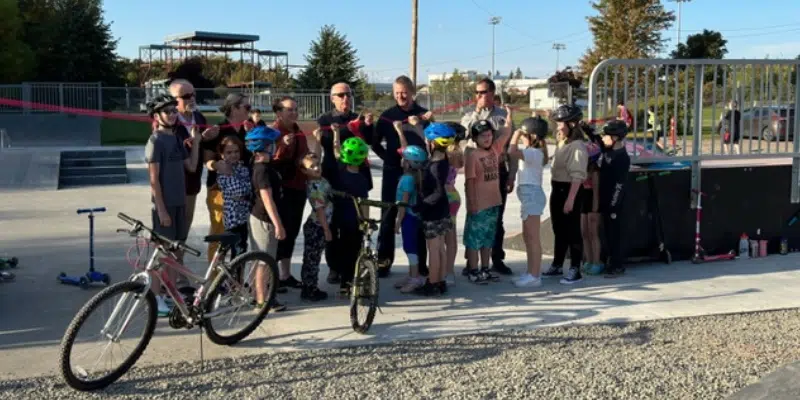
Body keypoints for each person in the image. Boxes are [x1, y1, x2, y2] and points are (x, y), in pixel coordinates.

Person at [143, 94, 201, 315]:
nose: (173, 114)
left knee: (175, 254)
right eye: (167, 111)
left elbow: (192, 167)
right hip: (165, 205)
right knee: (162, 253)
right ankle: (155, 298)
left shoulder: (176, 138)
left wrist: (196, 143)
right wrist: (161, 209)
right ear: (157, 116)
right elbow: (153, 180)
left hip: (179, 203)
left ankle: (172, 293)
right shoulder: (155, 141)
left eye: (174, 110)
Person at [372, 75, 432, 277]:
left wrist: (423, 124)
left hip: (418, 174)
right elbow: (374, 142)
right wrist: (388, 158)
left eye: (404, 92)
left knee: (418, 217)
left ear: (412, 92)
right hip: (393, 172)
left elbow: (433, 141)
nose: (401, 96)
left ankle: (420, 265)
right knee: (388, 216)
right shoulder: (387, 116)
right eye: (397, 93)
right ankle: (384, 261)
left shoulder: (423, 115)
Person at [316, 82, 375, 284]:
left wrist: (367, 126)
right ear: (332, 98)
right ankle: (334, 267)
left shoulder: (356, 118)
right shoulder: (325, 119)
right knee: (333, 226)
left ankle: (354, 267)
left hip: (357, 180)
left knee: (357, 226)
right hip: (333, 179)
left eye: (348, 94)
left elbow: (369, 141)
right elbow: (324, 143)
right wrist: (334, 132)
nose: (345, 98)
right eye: (340, 95)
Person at [460, 78, 515, 276]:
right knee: (474, 218)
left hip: (497, 170)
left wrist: (511, 175)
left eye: (483, 92)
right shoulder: (469, 116)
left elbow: (509, 147)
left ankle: (496, 259)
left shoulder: (502, 116)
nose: (479, 96)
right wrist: (476, 113)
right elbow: (465, 138)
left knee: (496, 218)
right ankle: (471, 263)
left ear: (492, 93)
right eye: (477, 92)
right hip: (477, 171)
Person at [203, 93, 252, 262]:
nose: (250, 111)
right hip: (220, 191)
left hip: (242, 193)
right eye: (246, 107)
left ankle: (235, 279)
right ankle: (216, 280)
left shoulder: (248, 129)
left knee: (239, 239)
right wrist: (216, 165)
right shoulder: (218, 130)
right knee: (219, 236)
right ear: (233, 108)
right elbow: (207, 159)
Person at [542, 104, 588, 285]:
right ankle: (557, 264)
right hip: (558, 188)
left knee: (572, 231)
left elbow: (578, 176)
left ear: (573, 124)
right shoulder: (563, 141)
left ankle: (575, 269)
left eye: (562, 123)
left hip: (570, 189)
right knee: (558, 229)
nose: (559, 126)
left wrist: (570, 200)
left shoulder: (577, 146)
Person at [168, 79, 219, 236]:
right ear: (173, 100)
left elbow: (201, 143)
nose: (191, 98)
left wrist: (208, 137)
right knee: (170, 227)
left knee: (186, 225)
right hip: (173, 183)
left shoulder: (199, 117)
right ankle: (167, 260)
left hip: (192, 181)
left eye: (193, 95)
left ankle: (178, 259)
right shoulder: (168, 121)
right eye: (186, 96)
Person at [246, 126, 287, 309]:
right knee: (264, 261)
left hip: (262, 217)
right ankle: (263, 300)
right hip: (264, 218)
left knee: (262, 259)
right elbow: (267, 199)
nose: (276, 146)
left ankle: (259, 294)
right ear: (266, 146)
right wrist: (278, 224)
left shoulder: (265, 165)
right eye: (273, 144)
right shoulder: (262, 169)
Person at [414, 122, 456, 296]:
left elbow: (438, 192)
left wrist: (421, 206)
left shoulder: (434, 167)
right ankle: (441, 281)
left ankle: (432, 283)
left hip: (433, 212)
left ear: (432, 143)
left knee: (434, 249)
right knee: (440, 247)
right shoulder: (442, 160)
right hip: (443, 210)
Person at [271, 96, 309, 291]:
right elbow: (268, 158)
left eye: (295, 109)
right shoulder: (273, 132)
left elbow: (304, 153)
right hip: (281, 189)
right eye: (289, 110)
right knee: (279, 232)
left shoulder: (298, 130)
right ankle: (272, 275)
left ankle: (285, 274)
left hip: (298, 185)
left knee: (292, 231)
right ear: (279, 113)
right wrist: (282, 144)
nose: (294, 113)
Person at [508, 116, 549, 288]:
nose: (522, 136)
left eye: (525, 134)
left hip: (532, 197)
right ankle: (530, 271)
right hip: (528, 197)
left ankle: (535, 275)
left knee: (532, 238)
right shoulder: (531, 151)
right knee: (527, 236)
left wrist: (515, 134)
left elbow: (511, 152)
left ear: (532, 136)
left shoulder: (533, 153)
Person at [329, 128, 372, 295]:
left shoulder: (338, 173)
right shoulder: (361, 179)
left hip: (336, 219)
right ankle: (347, 283)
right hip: (353, 221)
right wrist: (366, 221)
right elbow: (364, 204)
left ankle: (341, 278)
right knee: (351, 252)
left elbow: (336, 151)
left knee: (338, 249)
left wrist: (335, 134)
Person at [391, 119, 427, 293]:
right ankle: (413, 274)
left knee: (410, 247)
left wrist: (398, 222)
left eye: (403, 159)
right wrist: (400, 131)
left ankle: (415, 278)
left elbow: (403, 203)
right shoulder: (415, 176)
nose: (401, 160)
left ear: (408, 163)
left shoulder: (407, 179)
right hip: (414, 217)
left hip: (408, 218)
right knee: (411, 246)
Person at [597, 120, 631, 277]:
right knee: (605, 232)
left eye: (606, 136)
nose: (603, 139)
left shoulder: (622, 158)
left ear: (616, 138)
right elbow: (596, 139)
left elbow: (620, 184)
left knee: (614, 233)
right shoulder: (607, 150)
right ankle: (609, 260)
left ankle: (617, 264)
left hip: (614, 201)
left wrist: (613, 204)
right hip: (603, 197)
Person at [297, 150, 331, 302]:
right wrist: (326, 229)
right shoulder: (314, 187)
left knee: (314, 258)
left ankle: (310, 286)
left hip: (320, 225)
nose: (316, 168)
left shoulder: (320, 180)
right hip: (317, 226)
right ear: (304, 171)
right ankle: (309, 289)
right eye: (312, 167)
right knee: (312, 260)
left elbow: (315, 155)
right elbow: (320, 210)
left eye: (318, 165)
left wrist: (317, 142)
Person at [215, 136, 251, 260]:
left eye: (236, 152)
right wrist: (245, 192)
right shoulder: (222, 170)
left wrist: (245, 193)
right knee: (237, 250)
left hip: (244, 217)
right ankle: (232, 278)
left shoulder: (243, 168)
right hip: (233, 219)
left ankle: (237, 279)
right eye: (229, 152)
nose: (233, 155)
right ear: (222, 154)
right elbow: (240, 191)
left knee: (242, 250)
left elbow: (250, 189)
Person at [443, 122, 467, 284]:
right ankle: (448, 270)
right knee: (449, 236)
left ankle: (448, 271)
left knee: (446, 237)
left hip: (446, 196)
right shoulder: (458, 151)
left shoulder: (448, 152)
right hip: (452, 195)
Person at [581, 142, 603, 276]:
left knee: (593, 233)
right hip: (583, 201)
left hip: (591, 202)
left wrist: (595, 208)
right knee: (584, 232)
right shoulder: (583, 169)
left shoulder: (595, 172)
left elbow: (595, 192)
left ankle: (596, 261)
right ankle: (588, 260)